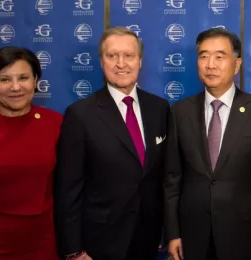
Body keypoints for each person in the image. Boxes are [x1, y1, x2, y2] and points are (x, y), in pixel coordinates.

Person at [164, 28, 251, 260]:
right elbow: (172, 179)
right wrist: (172, 233)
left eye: (220, 56)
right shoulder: (180, 112)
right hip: (192, 236)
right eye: (204, 56)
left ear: (236, 65)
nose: (211, 64)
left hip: (244, 236)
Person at [54, 26, 170, 260]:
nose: (121, 63)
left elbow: (164, 176)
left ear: (139, 61)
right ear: (101, 62)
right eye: (112, 55)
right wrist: (74, 250)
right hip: (99, 241)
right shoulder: (80, 114)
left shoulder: (160, 108)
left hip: (148, 238)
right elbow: (68, 189)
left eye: (128, 56)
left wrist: (166, 230)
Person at [0, 46, 62, 260]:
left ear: (36, 81)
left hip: (41, 243)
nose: (15, 87)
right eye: (4, 79)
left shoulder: (57, 124)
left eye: (23, 78)